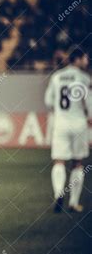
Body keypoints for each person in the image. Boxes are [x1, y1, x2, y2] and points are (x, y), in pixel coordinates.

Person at [45, 47, 91, 213]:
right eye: (85, 58)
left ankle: (58, 193)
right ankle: (73, 202)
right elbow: (90, 106)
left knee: (58, 160)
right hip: (79, 123)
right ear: (77, 59)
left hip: (61, 124)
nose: (87, 61)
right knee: (78, 163)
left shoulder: (57, 77)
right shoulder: (84, 79)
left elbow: (48, 101)